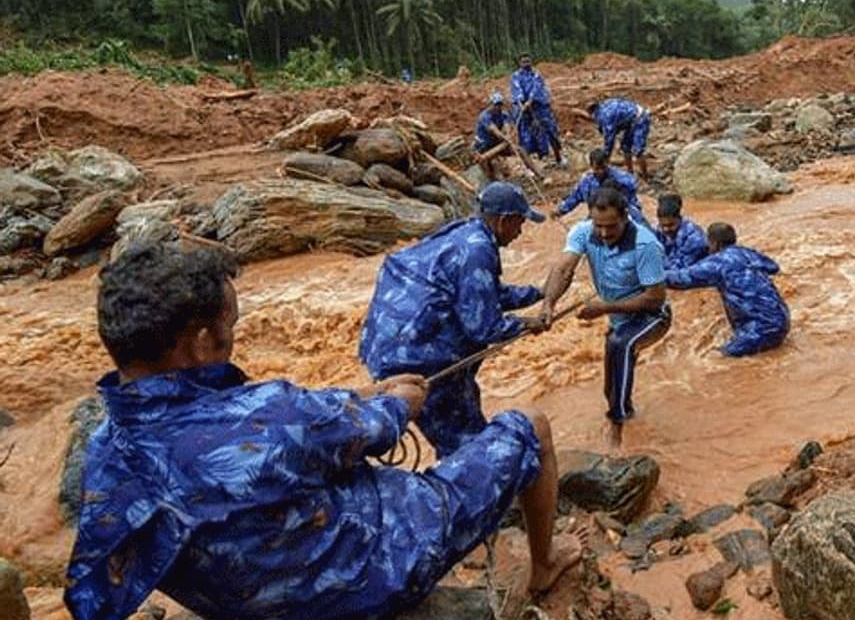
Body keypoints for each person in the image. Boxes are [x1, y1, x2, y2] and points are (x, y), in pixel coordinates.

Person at [65, 242, 581, 620]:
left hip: (247, 599)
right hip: (366, 575)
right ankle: (543, 565)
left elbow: (286, 424)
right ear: (200, 343)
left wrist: (360, 396)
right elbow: (379, 426)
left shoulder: (105, 452)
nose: (233, 334)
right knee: (528, 424)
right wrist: (398, 400)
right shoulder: (275, 414)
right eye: (232, 324)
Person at [359, 182, 547, 458]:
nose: (520, 233)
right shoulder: (478, 250)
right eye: (519, 223)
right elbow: (483, 328)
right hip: (419, 360)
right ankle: (471, 494)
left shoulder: (463, 233)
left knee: (463, 424)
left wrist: (538, 293)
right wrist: (529, 324)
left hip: (385, 346)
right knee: (466, 445)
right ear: (504, 220)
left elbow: (483, 294)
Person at [541, 187, 669, 447]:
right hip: (619, 318)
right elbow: (564, 269)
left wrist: (605, 308)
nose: (603, 233)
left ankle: (617, 423)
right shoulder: (583, 231)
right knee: (609, 382)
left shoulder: (645, 244)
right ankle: (623, 409)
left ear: (625, 217)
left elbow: (655, 297)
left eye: (611, 227)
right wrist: (548, 305)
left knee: (621, 345)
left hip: (652, 316)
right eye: (598, 225)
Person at [665, 222, 789, 357]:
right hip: (782, 321)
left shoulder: (717, 263)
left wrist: (648, 276)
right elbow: (773, 267)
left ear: (714, 243)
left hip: (761, 330)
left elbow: (680, 280)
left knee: (713, 359)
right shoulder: (747, 253)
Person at [553, 148, 647, 227]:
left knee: (641, 227)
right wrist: (561, 210)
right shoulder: (587, 182)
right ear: (591, 166)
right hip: (598, 215)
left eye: (603, 167)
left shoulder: (621, 179)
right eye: (597, 169)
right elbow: (575, 197)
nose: (601, 171)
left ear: (607, 163)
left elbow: (632, 195)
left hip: (623, 213)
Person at [510, 52, 564, 166]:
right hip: (523, 109)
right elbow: (516, 90)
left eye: (528, 61)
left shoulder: (536, 74)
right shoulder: (515, 76)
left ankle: (559, 158)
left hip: (540, 107)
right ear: (519, 63)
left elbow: (536, 88)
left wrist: (530, 100)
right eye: (524, 62)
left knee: (551, 131)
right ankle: (530, 166)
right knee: (525, 136)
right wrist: (521, 102)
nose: (526, 63)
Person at [587, 97, 651, 180]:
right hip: (631, 120)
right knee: (625, 147)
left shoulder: (604, 117)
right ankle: (630, 174)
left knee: (638, 151)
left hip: (640, 119)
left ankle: (645, 177)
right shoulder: (605, 105)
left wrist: (605, 158)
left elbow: (609, 140)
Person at [655, 193, 708, 271]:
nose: (666, 229)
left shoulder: (694, 238)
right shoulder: (659, 231)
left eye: (670, 225)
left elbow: (679, 267)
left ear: (679, 219)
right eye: (663, 225)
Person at [474, 91, 513, 179]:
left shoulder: (503, 114)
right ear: (490, 104)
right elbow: (494, 130)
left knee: (520, 150)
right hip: (483, 145)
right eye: (495, 105)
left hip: (495, 143)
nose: (497, 107)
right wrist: (506, 138)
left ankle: (538, 174)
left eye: (499, 105)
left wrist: (508, 135)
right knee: (494, 164)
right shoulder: (484, 116)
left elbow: (507, 126)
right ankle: (498, 182)